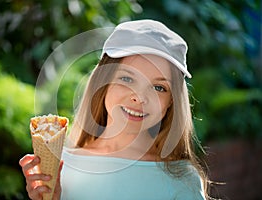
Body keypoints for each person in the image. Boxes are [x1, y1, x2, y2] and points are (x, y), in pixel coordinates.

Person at [19, 19, 209, 200]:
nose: (139, 97)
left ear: (171, 102)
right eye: (127, 79)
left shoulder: (181, 179)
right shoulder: (61, 167)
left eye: (159, 87)